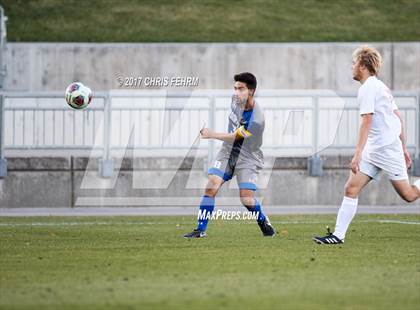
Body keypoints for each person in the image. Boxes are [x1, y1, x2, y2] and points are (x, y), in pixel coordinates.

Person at [313, 46, 420, 245]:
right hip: (375, 148)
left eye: (354, 63)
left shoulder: (369, 88)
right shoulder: (380, 87)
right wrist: (404, 148)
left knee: (409, 195)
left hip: (387, 149)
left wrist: (357, 153)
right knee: (351, 188)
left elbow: (367, 121)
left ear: (362, 66)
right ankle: (338, 235)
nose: (352, 67)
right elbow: (398, 118)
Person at [184, 72, 275, 238]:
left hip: (248, 156)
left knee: (246, 199)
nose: (236, 93)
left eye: (241, 89)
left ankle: (263, 220)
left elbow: (235, 137)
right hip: (228, 151)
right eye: (235, 88)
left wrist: (210, 134)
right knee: (211, 185)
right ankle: (200, 230)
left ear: (251, 91)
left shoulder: (257, 119)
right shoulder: (235, 100)